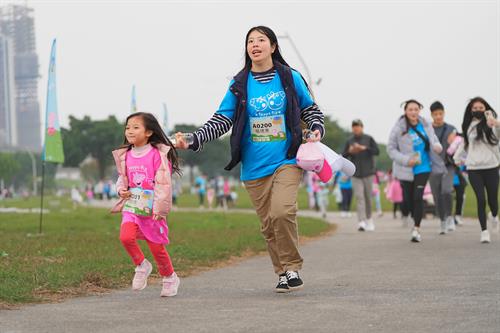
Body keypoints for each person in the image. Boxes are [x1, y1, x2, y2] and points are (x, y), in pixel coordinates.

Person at [174, 26, 325, 293]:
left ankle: (292, 266)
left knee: (282, 211)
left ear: (273, 46)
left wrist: (315, 128)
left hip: (287, 159)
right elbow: (223, 119)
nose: (255, 45)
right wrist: (195, 138)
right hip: (254, 166)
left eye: (261, 40)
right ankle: (281, 273)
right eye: (250, 41)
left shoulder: (289, 77)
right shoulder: (240, 83)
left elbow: (310, 108)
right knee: (268, 224)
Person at [111, 112, 181, 297]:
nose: (130, 131)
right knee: (125, 237)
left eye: (135, 127)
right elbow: (121, 179)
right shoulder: (125, 155)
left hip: (152, 209)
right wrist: (121, 191)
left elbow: (164, 183)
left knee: (156, 247)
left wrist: (160, 208)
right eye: (127, 127)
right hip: (132, 206)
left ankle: (169, 277)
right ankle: (141, 265)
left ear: (149, 132)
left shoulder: (157, 154)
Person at [387, 99, 442, 242]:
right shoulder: (399, 128)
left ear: (419, 111)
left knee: (418, 196)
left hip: (423, 167)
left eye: (416, 109)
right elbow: (391, 149)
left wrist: (437, 146)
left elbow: (433, 139)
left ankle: (416, 229)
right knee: (409, 199)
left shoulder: (425, 124)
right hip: (405, 169)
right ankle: (412, 217)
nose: (413, 112)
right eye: (410, 109)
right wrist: (406, 160)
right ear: (405, 111)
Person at [454, 97, 500, 243]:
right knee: (481, 199)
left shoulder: (491, 123)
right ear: (471, 110)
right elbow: (464, 144)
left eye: (481, 108)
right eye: (475, 108)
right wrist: (456, 157)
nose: (478, 110)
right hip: (474, 168)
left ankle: (493, 215)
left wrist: (496, 123)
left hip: (491, 167)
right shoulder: (469, 126)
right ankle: (484, 231)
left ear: (485, 109)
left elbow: (498, 137)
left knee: (493, 200)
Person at [342, 119, 379, 231]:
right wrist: (350, 151)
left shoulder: (369, 139)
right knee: (359, 197)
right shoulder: (349, 140)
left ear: (362, 127)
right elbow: (344, 155)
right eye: (354, 127)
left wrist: (365, 148)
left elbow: (377, 151)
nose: (356, 129)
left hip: (368, 173)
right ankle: (361, 221)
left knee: (368, 197)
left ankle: (369, 219)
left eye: (358, 126)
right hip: (355, 173)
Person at [428, 101, 457, 235]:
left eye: (440, 113)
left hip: (448, 165)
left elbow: (461, 142)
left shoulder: (451, 128)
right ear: (431, 115)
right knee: (436, 196)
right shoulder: (428, 129)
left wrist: (456, 137)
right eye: (435, 114)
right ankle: (442, 220)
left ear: (444, 113)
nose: (438, 116)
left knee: (446, 191)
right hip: (433, 167)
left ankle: (450, 217)